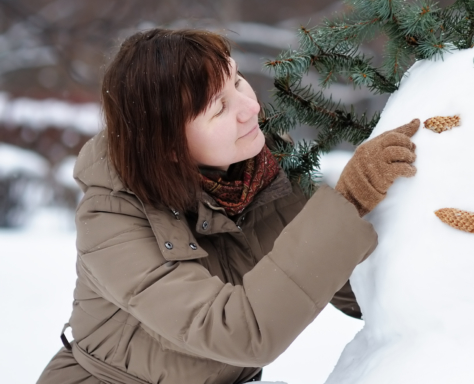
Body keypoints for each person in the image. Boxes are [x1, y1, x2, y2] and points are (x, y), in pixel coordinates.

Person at [36, 29, 419, 384]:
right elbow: (236, 331)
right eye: (219, 108)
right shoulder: (111, 219)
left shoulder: (262, 170)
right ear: (167, 145)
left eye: (237, 81)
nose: (250, 108)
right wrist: (347, 202)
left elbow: (350, 286)